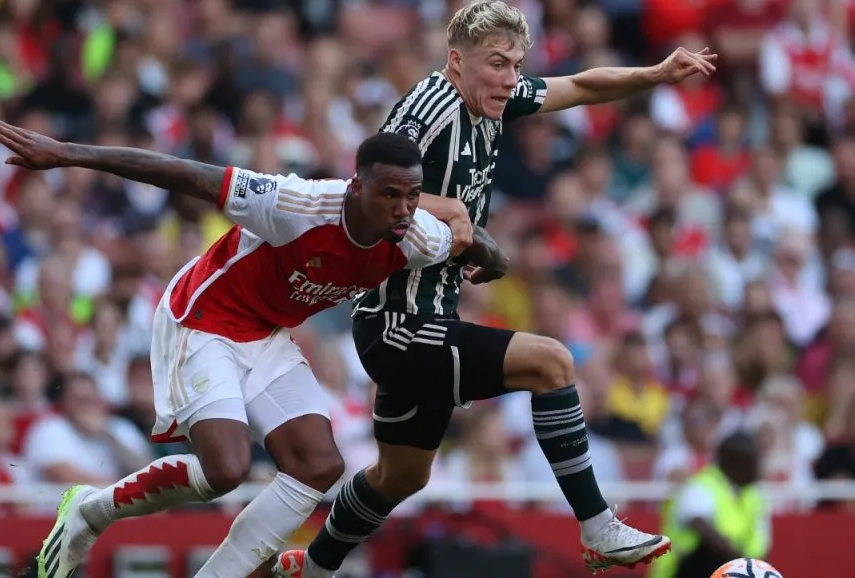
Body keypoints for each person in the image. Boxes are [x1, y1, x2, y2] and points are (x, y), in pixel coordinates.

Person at [273, 1, 719, 576]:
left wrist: (654, 74)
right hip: (397, 324)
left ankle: (313, 567)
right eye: (497, 64)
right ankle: (598, 526)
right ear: (457, 61)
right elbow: (364, 187)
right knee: (552, 363)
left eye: (516, 65)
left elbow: (581, 85)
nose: (510, 79)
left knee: (401, 476)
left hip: (430, 316)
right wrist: (455, 212)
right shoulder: (428, 107)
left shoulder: (495, 99)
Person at [0, 118, 507, 578]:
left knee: (318, 465)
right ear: (355, 188)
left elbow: (470, 240)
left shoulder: (417, 237)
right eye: (389, 194)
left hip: (266, 333)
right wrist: (69, 154)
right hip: (203, 318)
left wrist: (495, 261)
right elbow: (184, 173)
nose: (402, 209)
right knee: (225, 470)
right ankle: (88, 512)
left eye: (412, 196)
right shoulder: (294, 204)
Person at [648, 432, 770, 578]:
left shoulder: (754, 495)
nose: (759, 469)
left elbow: (758, 545)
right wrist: (741, 564)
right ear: (734, 464)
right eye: (754, 462)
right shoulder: (700, 486)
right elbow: (701, 527)